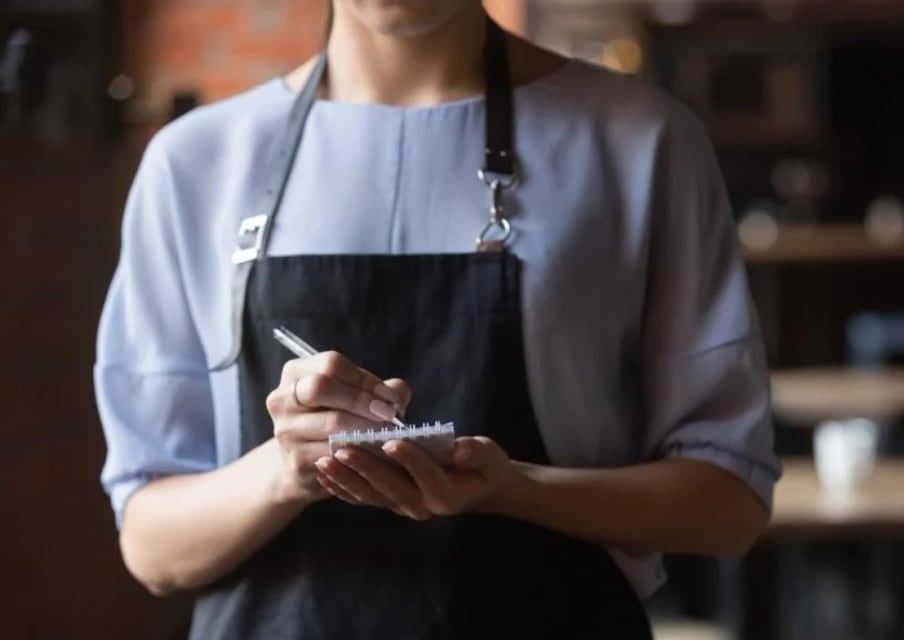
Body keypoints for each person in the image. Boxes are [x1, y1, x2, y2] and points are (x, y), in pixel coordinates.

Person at [95, 1, 780, 637]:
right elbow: (153, 548)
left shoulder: (639, 141)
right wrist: (284, 470)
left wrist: (517, 490)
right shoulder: (195, 163)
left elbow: (728, 505)